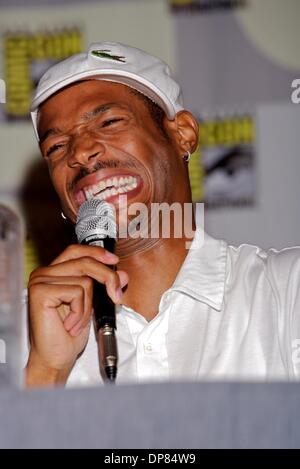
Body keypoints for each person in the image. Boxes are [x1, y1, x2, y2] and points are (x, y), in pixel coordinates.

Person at [25, 42, 300, 388]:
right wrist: (46, 373)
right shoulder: (26, 331)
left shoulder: (287, 293)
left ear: (182, 135)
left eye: (109, 122)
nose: (80, 152)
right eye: (56, 147)